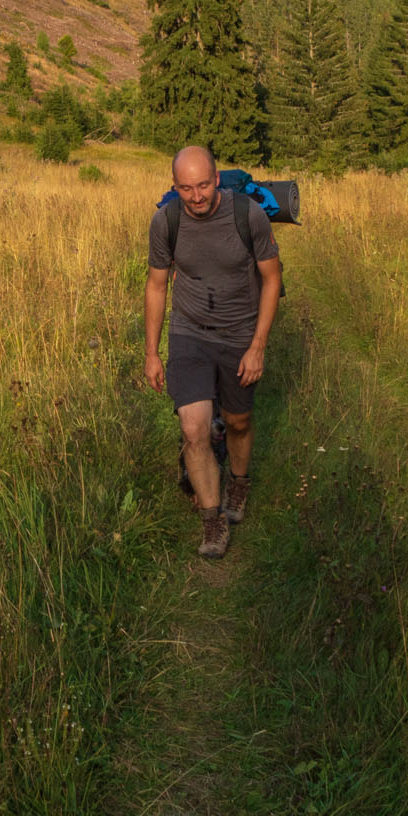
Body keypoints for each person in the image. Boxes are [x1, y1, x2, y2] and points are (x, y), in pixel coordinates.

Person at [144, 145, 282, 559]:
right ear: (175, 187)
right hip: (189, 334)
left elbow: (272, 280)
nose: (196, 196)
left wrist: (258, 345)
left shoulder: (248, 216)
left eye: (203, 185)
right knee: (193, 429)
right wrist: (151, 352)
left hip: (239, 333)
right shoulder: (166, 221)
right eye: (186, 188)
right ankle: (212, 520)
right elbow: (156, 285)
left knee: (238, 422)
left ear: (217, 178)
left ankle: (238, 482)